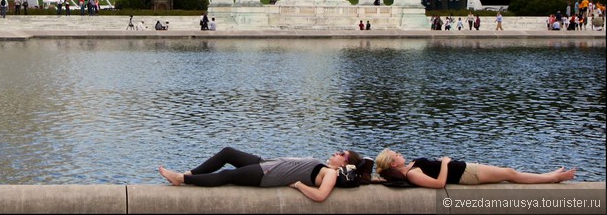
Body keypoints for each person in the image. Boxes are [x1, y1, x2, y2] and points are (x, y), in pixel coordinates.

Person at [159, 147, 372, 203]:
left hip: (268, 175)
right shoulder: (325, 168)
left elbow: (320, 196)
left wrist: (298, 185)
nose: (336, 153)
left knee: (228, 175)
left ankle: (181, 179)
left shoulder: (330, 175)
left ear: (346, 162)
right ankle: (188, 173)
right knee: (228, 153)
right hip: (266, 163)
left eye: (341, 154)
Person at [374, 148, 576, 188]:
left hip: (466, 169)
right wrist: (444, 163)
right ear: (393, 164)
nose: (400, 154)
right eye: (396, 155)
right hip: (466, 174)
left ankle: (549, 175)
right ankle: (552, 178)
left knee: (509, 173)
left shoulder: (410, 167)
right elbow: (439, 183)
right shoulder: (413, 173)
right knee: (510, 174)